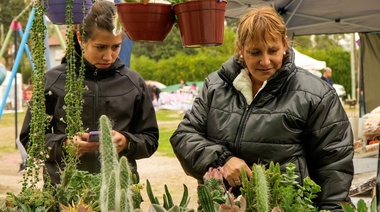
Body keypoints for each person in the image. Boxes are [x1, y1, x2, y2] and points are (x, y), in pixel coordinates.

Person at [170, 6, 353, 211]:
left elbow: (334, 164)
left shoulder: (316, 93)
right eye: (254, 52)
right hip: (221, 206)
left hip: (288, 206)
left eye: (273, 50)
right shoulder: (215, 86)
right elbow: (183, 136)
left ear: (284, 44)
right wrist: (222, 159)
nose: (265, 61)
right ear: (240, 48)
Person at [20, 0, 159, 186]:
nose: (108, 56)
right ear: (80, 39)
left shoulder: (134, 83)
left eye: (115, 47)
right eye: (100, 47)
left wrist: (126, 142)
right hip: (63, 191)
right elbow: (31, 139)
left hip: (118, 192)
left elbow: (150, 138)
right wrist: (65, 145)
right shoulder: (51, 81)